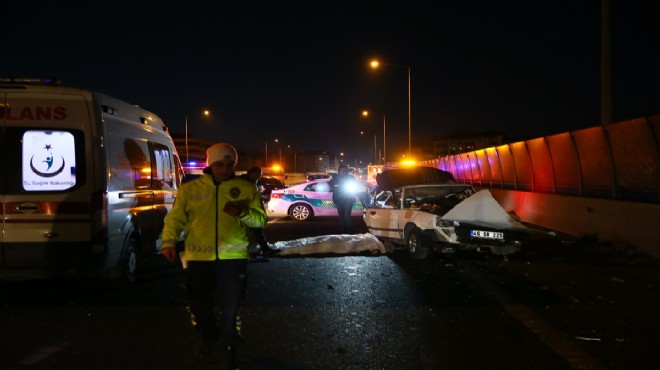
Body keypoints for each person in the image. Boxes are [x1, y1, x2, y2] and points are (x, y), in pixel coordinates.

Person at [161, 142, 267, 369]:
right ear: (210, 164)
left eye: (229, 164)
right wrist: (168, 241)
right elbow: (175, 218)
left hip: (233, 259)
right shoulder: (191, 188)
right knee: (200, 307)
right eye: (219, 164)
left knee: (231, 307)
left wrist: (242, 212)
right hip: (198, 258)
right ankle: (209, 338)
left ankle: (229, 346)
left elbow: (260, 220)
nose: (225, 168)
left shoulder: (246, 188)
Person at [239, 166, 277, 260]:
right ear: (251, 173)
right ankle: (244, 254)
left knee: (258, 232)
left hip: (254, 212)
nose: (260, 175)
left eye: (260, 173)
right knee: (250, 233)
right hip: (247, 213)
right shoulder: (244, 183)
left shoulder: (253, 183)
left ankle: (265, 249)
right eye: (257, 173)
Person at [329, 163, 358, 234]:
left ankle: (349, 233)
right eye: (342, 171)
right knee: (341, 216)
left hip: (349, 199)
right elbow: (331, 186)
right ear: (339, 171)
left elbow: (355, 186)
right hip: (339, 200)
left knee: (347, 216)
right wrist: (336, 187)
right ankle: (343, 233)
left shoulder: (351, 178)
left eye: (345, 171)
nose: (343, 172)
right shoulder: (335, 178)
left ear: (347, 171)